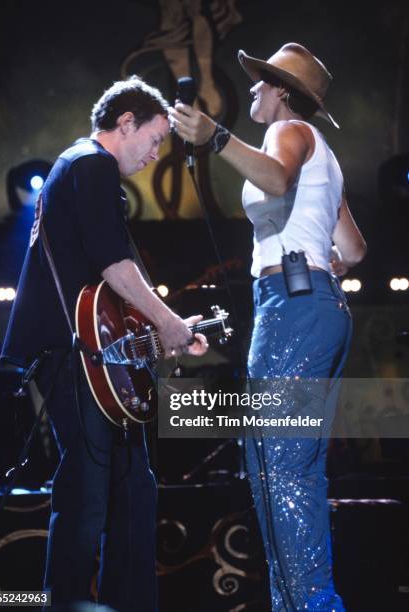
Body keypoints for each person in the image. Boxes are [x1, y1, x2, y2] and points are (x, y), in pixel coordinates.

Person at [170, 43, 367, 610]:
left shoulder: (288, 131)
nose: (251, 90)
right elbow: (352, 248)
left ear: (282, 91)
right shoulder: (323, 154)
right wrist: (317, 273)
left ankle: (311, 606)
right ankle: (301, 601)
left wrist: (216, 137)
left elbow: (277, 182)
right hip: (317, 306)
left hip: (291, 307)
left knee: (279, 468)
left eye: (259, 84)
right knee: (283, 465)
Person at [1, 76, 207, 611]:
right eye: (156, 138)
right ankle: (66, 602)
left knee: (134, 489)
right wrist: (168, 323)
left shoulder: (77, 169)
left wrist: (159, 326)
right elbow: (115, 263)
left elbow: (99, 276)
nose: (158, 153)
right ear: (125, 123)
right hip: (75, 355)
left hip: (95, 353)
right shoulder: (91, 164)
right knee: (89, 493)